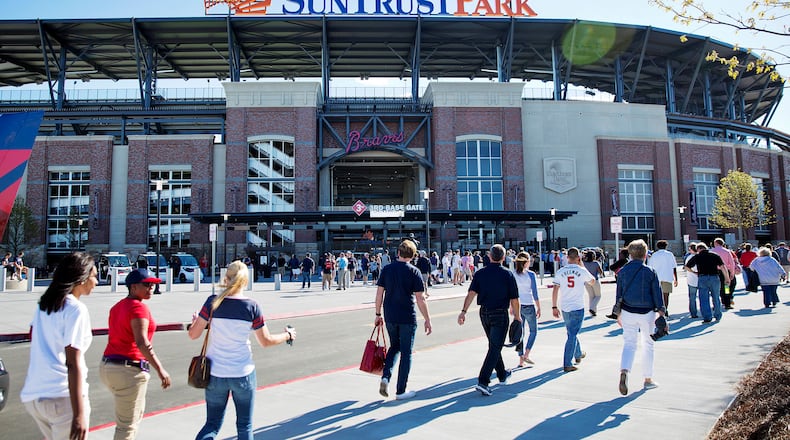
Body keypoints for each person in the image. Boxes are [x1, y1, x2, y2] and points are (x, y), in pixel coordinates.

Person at [188, 261, 296, 439]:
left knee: (212, 424)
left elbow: (193, 334)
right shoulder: (251, 306)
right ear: (246, 282)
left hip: (215, 374)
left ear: (226, 278)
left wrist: (197, 321)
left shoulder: (212, 302)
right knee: (245, 425)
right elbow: (266, 341)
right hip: (242, 373)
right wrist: (288, 335)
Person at [20, 252, 97, 440]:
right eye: (94, 276)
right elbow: (73, 362)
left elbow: (34, 336)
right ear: (82, 279)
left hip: (34, 396)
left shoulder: (45, 306)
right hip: (61, 398)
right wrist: (79, 414)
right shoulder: (76, 310)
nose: (96, 282)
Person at [100, 268, 171, 440]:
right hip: (129, 370)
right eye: (146, 285)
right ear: (133, 287)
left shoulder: (116, 307)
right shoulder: (139, 308)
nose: (151, 288)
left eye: (153, 285)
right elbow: (142, 343)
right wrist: (161, 370)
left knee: (128, 418)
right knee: (127, 427)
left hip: (108, 366)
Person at [457, 244, 521, 396]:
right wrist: (517, 316)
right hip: (500, 312)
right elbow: (515, 299)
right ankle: (483, 381)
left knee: (494, 345)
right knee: (495, 347)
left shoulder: (480, 273)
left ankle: (502, 375)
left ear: (490, 256)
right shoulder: (508, 274)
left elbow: (471, 293)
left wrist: (463, 311)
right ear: (504, 258)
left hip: (484, 312)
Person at [375, 240, 432, 400]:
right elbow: (420, 298)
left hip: (390, 314)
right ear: (413, 256)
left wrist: (378, 314)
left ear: (398, 253)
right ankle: (401, 390)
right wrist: (427, 319)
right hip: (407, 314)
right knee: (406, 352)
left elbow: (379, 293)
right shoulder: (414, 271)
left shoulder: (387, 269)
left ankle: (386, 376)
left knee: (394, 347)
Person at [615, 239, 667, 395]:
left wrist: (618, 313)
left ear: (630, 254)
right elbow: (657, 293)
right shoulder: (650, 271)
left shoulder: (622, 271)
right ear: (645, 255)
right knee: (648, 344)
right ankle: (648, 378)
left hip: (627, 311)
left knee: (629, 343)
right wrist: (662, 312)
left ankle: (624, 371)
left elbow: (619, 294)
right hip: (647, 312)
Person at [551, 247, 595, 372]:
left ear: (567, 258)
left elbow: (555, 289)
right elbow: (592, 281)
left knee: (571, 332)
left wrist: (554, 306)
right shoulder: (581, 270)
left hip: (565, 306)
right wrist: (583, 266)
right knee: (572, 334)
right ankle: (567, 362)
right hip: (577, 306)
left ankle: (578, 353)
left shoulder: (560, 271)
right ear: (578, 258)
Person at [684, 243, 730, 323]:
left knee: (704, 298)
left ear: (698, 249)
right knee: (716, 297)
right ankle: (718, 315)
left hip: (702, 278)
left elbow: (686, 267)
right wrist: (727, 278)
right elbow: (722, 267)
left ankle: (707, 317)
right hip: (714, 277)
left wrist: (694, 272)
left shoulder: (697, 256)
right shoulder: (715, 255)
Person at [512, 252, 540, 367]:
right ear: (527, 261)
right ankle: (527, 354)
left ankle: (520, 359)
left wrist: (511, 306)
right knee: (533, 331)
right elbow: (535, 292)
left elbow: (511, 292)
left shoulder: (513, 274)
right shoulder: (531, 274)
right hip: (529, 304)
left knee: (520, 332)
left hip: (517, 304)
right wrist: (539, 306)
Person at [647, 240, 678, 316]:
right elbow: (674, 267)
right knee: (666, 295)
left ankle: (658, 309)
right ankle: (665, 310)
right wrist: (676, 279)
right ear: (666, 246)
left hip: (656, 278)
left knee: (656, 295)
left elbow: (650, 267)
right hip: (667, 277)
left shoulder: (654, 255)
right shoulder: (670, 254)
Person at [710, 238, 737, 309]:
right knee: (726, 287)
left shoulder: (712, 251)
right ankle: (727, 303)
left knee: (716, 289)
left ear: (716, 243)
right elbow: (732, 263)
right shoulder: (727, 251)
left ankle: (716, 303)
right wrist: (732, 273)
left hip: (715, 272)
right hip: (725, 271)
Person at [582, 250, 604, 316]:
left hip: (586, 281)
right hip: (595, 280)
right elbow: (600, 272)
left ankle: (593, 311)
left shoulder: (584, 263)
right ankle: (592, 308)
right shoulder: (596, 263)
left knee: (591, 296)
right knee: (598, 296)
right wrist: (601, 275)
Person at [684, 243, 700, 318]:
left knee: (692, 297)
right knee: (702, 296)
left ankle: (693, 313)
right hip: (701, 279)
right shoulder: (700, 257)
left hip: (691, 280)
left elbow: (686, 267)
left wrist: (693, 272)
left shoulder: (689, 257)